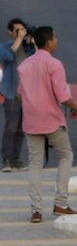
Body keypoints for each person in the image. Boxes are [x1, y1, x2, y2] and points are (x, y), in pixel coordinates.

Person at [17, 26, 77, 223]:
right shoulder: (54, 64)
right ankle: (60, 203)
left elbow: (20, 94)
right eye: (55, 37)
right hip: (52, 119)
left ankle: (36, 211)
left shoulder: (24, 65)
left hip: (31, 120)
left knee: (35, 162)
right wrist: (74, 107)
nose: (56, 40)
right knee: (66, 155)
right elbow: (62, 96)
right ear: (49, 42)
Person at [1, 18, 35, 172]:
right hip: (12, 94)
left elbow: (37, 58)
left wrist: (32, 42)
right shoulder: (6, 47)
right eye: (17, 30)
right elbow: (7, 57)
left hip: (26, 95)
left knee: (21, 129)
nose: (21, 32)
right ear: (10, 31)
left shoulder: (27, 49)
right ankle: (7, 160)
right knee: (10, 128)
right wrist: (19, 39)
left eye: (23, 29)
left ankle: (16, 160)